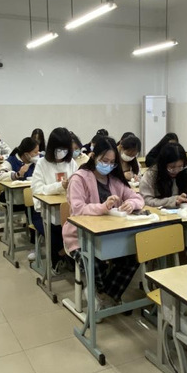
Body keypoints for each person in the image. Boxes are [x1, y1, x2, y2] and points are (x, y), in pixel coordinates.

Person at [62, 136, 144, 309]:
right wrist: (103, 207)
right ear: (93, 156)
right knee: (94, 261)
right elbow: (77, 209)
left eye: (112, 162)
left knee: (134, 255)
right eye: (104, 161)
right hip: (81, 237)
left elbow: (137, 197)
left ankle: (103, 294)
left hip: (110, 235)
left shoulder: (114, 179)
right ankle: (101, 293)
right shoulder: (79, 178)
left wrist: (132, 203)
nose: (108, 165)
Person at [31, 127, 78, 271]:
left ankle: (66, 256)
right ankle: (58, 258)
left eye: (65, 149)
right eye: (59, 149)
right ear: (51, 147)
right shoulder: (42, 163)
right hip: (45, 213)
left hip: (69, 212)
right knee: (55, 233)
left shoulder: (71, 163)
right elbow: (37, 189)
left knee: (77, 231)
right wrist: (59, 186)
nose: (62, 152)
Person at [139, 143, 187, 208]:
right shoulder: (151, 175)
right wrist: (172, 201)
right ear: (163, 165)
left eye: (180, 167)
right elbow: (146, 200)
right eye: (172, 167)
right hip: (159, 215)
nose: (176, 171)